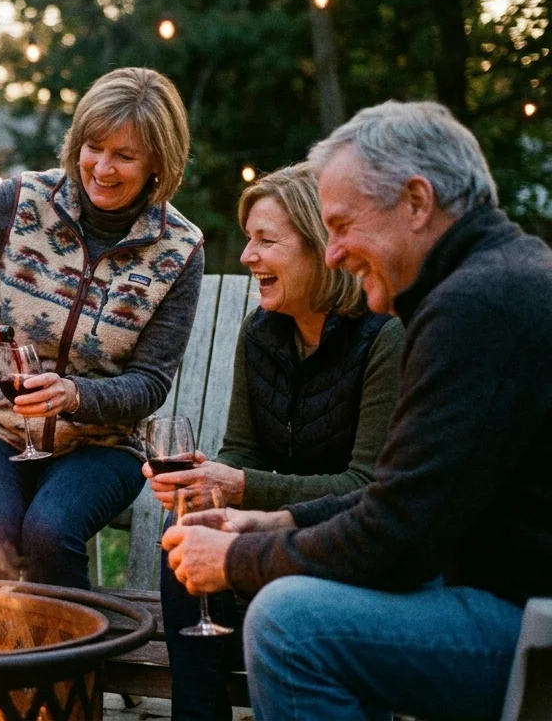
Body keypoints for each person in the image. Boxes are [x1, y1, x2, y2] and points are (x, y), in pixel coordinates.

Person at [163, 100, 552, 720]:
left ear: (417, 202)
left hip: (531, 625)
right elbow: (407, 499)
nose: (335, 252)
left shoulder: (474, 308)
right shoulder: (495, 280)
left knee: (290, 625)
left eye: (342, 225)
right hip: (499, 595)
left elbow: (398, 539)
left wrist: (239, 561)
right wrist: (272, 522)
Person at [0, 67, 204, 589]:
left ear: (157, 164)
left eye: (125, 155)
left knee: (51, 531)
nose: (102, 167)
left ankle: (68, 668)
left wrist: (74, 396)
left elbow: (150, 384)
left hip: (103, 446)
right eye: (94, 146)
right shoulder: (23, 202)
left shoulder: (178, 251)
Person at [144, 165, 402, 721]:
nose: (246, 256)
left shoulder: (383, 338)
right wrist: (203, 481)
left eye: (266, 241)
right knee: (186, 528)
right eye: (248, 239)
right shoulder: (261, 332)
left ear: (319, 246)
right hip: (264, 539)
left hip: (344, 547)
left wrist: (239, 484)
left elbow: (366, 486)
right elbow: (242, 450)